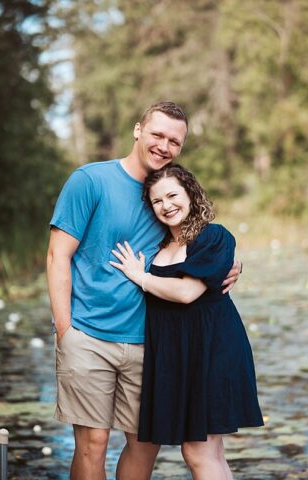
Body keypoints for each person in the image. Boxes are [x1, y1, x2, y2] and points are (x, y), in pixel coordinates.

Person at [46, 102, 241, 480]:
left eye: (174, 141)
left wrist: (235, 262)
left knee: (144, 445)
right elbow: (57, 257)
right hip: (88, 335)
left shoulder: (168, 191)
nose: (164, 146)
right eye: (157, 135)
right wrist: (65, 330)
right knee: (93, 443)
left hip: (152, 344)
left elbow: (200, 240)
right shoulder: (90, 181)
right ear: (138, 130)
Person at [109, 163, 263, 479]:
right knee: (208, 452)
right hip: (176, 354)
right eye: (157, 201)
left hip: (211, 349)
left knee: (198, 450)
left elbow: (186, 293)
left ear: (190, 194)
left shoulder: (213, 236)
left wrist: (140, 277)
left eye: (172, 195)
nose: (167, 206)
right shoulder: (157, 246)